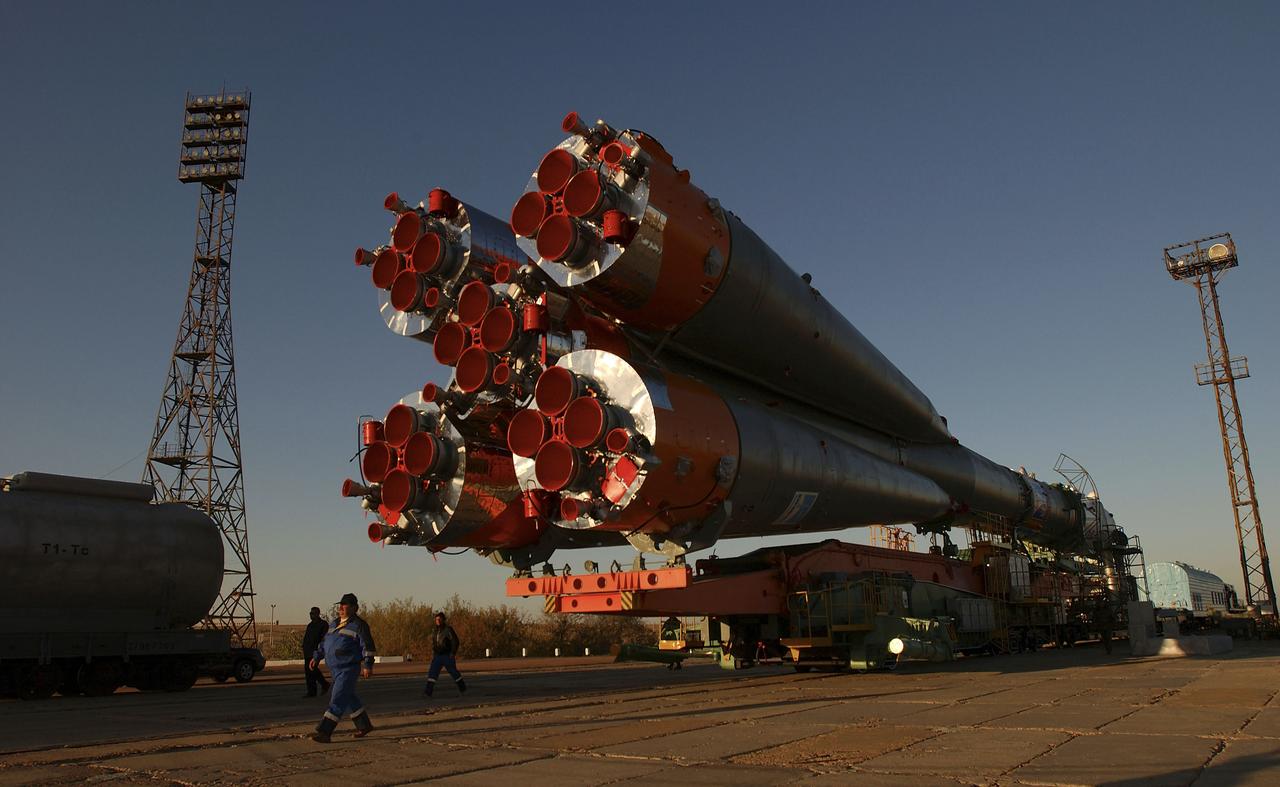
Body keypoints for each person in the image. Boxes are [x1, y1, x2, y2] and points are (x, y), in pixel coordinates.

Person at [309, 593, 376, 742]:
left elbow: (368, 646)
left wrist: (368, 665)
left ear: (354, 608)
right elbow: (325, 643)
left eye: (344, 605)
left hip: (348, 669)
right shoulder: (334, 623)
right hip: (335, 670)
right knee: (348, 696)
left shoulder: (359, 625)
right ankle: (364, 725)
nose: (340, 608)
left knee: (337, 698)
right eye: (340, 605)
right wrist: (317, 656)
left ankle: (325, 732)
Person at [423, 611, 466, 697]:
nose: (438, 621)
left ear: (443, 620)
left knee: (453, 672)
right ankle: (428, 692)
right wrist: (434, 653)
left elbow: (455, 641)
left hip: (447, 655)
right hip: (437, 656)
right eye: (436, 619)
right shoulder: (435, 631)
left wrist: (453, 652)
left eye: (439, 619)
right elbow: (434, 643)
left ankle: (463, 688)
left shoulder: (448, 629)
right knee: (432, 673)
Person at [301, 607, 330, 697]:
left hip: (315, 651)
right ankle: (313, 690)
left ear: (318, 614)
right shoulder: (310, 625)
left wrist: (320, 650)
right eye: (310, 613)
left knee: (312, 669)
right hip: (308, 650)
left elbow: (324, 638)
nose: (311, 615)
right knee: (309, 671)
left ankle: (321, 686)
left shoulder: (323, 625)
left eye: (313, 613)